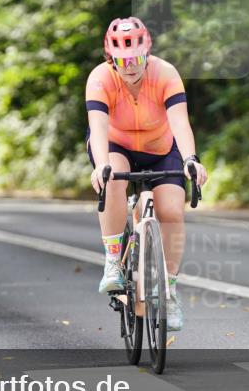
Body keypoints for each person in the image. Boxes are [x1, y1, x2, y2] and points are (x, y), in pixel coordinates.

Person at [86, 17, 208, 332]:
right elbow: (98, 129)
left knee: (171, 211)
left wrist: (192, 159)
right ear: (110, 58)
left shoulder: (165, 73)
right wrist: (101, 164)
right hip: (117, 146)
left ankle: (168, 293)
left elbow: (180, 121)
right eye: (122, 61)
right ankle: (113, 260)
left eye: (137, 59)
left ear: (147, 53)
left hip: (161, 148)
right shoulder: (100, 78)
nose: (130, 67)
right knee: (114, 177)